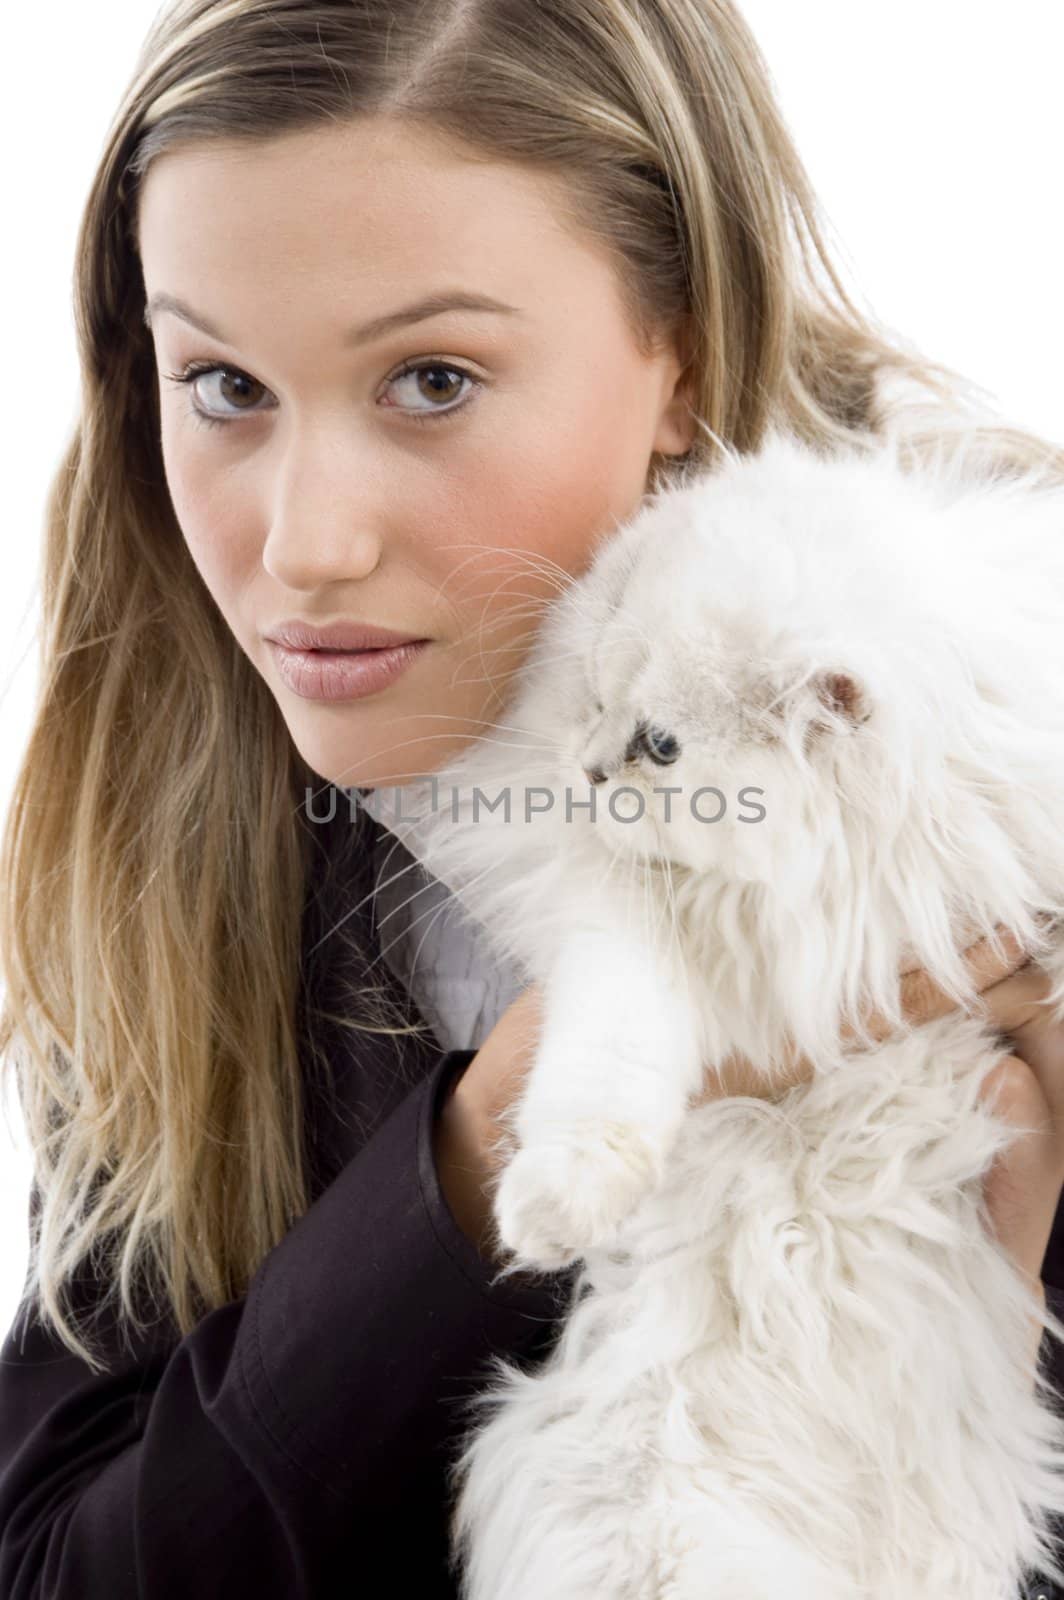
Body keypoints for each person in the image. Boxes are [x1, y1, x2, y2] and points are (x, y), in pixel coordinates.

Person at [1, 1, 1062, 1595]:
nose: (305, 544)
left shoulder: (999, 755)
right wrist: (482, 1151)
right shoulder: (179, 816)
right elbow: (57, 1566)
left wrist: (1004, 1295)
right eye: (223, 385)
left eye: (431, 378)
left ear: (682, 360)